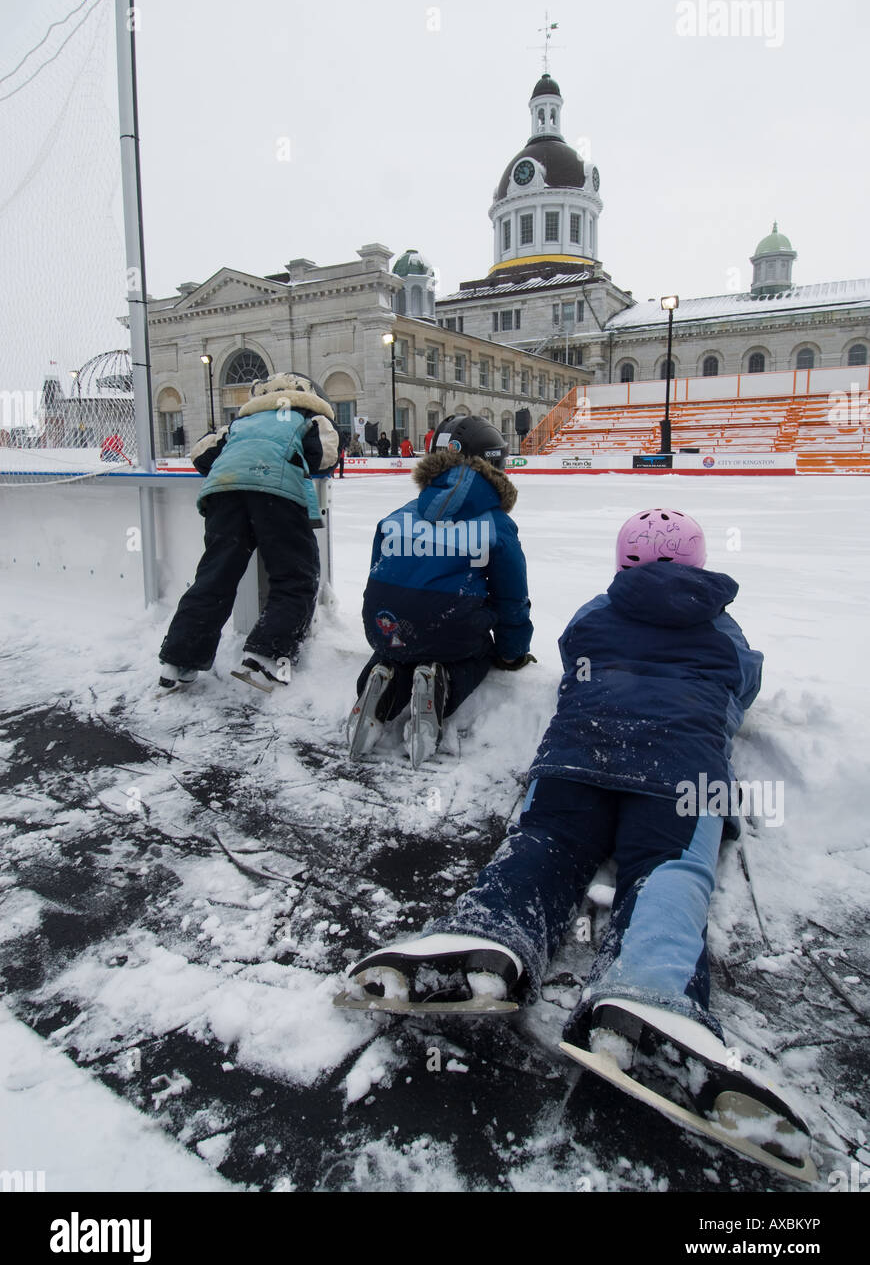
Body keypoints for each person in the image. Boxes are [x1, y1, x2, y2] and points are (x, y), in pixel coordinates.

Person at [342, 509, 808, 1156]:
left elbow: (573, 653)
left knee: (541, 847)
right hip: (677, 777)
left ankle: (486, 935)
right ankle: (653, 991)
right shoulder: (723, 631)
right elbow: (743, 684)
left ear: (622, 563)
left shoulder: (594, 614)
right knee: (669, 875)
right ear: (698, 565)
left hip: (574, 762)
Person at [346, 415, 534, 767]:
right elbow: (511, 597)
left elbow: (379, 574)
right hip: (451, 626)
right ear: (494, 466)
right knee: (476, 652)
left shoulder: (399, 514)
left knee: (401, 647)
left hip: (383, 622)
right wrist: (512, 652)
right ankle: (439, 686)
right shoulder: (496, 524)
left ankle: (380, 681)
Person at [157, 371, 339, 690]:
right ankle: (267, 656)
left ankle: (179, 661)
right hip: (278, 494)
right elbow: (325, 457)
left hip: (224, 494)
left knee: (215, 577)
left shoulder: (240, 423)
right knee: (295, 575)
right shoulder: (310, 416)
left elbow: (201, 454)